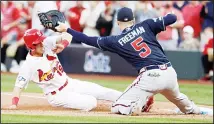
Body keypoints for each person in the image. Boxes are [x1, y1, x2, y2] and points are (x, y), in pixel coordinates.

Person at [55, 7, 212, 116]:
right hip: (170, 73)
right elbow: (172, 18)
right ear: (133, 20)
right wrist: (167, 15)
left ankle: (135, 105)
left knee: (117, 107)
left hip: (151, 76)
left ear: (118, 23)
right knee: (179, 99)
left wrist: (67, 29)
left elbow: (88, 39)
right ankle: (193, 110)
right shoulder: (147, 25)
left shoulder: (116, 40)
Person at [7, 29, 122, 111]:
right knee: (91, 102)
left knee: (104, 91)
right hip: (57, 95)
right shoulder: (28, 65)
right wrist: (14, 104)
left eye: (41, 40)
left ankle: (133, 100)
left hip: (70, 83)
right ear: (31, 46)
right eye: (38, 43)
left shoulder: (46, 43)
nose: (42, 43)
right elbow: (18, 86)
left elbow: (68, 35)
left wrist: (63, 44)